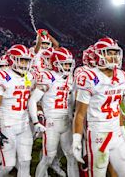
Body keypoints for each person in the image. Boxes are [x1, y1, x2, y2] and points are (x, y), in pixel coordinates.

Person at [73, 37, 125, 177]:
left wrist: (122, 130)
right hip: (98, 133)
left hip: (116, 133)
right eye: (108, 53)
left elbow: (116, 107)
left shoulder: (122, 75)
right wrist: (76, 139)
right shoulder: (88, 77)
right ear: (98, 55)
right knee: (98, 172)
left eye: (115, 53)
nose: (113, 57)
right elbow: (80, 113)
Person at [30, 47, 79, 177]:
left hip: (66, 122)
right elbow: (33, 100)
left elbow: (71, 100)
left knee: (71, 155)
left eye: (69, 64)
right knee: (48, 158)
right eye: (65, 64)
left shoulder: (69, 78)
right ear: (55, 63)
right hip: (51, 122)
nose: (68, 67)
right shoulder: (48, 76)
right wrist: (36, 121)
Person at [0, 44, 35, 177]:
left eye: (26, 60)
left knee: (25, 161)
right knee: (8, 165)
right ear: (12, 60)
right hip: (7, 124)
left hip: (24, 123)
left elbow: (30, 99)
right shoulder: (2, 76)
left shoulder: (29, 76)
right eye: (21, 59)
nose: (25, 63)